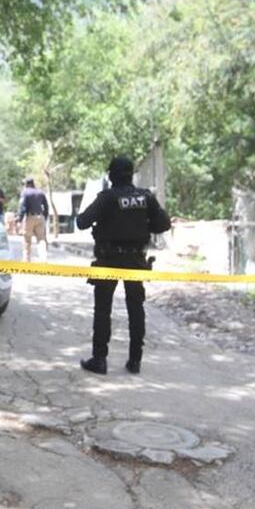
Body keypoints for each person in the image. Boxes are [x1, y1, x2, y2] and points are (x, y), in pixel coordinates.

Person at [75, 156, 171, 375]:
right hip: (136, 260)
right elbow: (163, 224)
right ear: (131, 175)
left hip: (108, 259)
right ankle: (135, 361)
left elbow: (81, 222)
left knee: (103, 310)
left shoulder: (107, 198)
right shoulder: (145, 198)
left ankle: (99, 360)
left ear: (111, 176)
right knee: (136, 309)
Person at [16, 178, 49, 262]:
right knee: (41, 239)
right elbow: (46, 206)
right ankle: (43, 259)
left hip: (30, 217)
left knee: (27, 240)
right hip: (40, 217)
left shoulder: (25, 192)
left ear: (26, 184)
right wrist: (44, 216)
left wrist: (19, 218)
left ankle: (27, 261)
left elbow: (22, 206)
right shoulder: (40, 192)